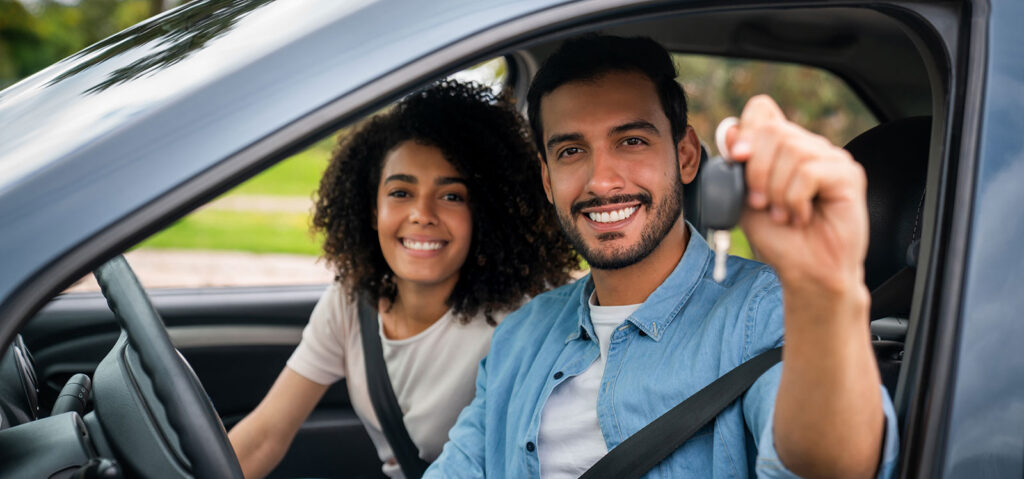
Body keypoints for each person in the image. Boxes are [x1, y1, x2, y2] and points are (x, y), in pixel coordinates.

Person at [425, 35, 898, 478]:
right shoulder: (520, 338)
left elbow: (833, 467)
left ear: (687, 155)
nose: (602, 181)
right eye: (571, 150)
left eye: (632, 141)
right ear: (547, 180)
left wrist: (824, 290)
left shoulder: (769, 310)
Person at [228, 80, 577, 479]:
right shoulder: (350, 302)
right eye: (400, 192)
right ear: (370, 207)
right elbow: (265, 436)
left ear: (485, 215)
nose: (422, 213)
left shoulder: (527, 314)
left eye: (451, 196)